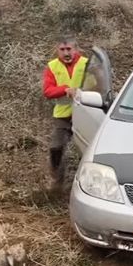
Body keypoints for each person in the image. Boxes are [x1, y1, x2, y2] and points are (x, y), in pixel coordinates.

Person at [42, 36, 91, 188]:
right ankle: (56, 182)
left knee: (89, 151)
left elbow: (97, 84)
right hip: (63, 115)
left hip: (86, 113)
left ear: (76, 49)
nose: (65, 53)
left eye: (69, 49)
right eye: (62, 50)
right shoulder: (52, 66)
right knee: (56, 147)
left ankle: (88, 184)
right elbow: (48, 91)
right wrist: (65, 89)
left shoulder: (87, 64)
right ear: (57, 50)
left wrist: (83, 92)